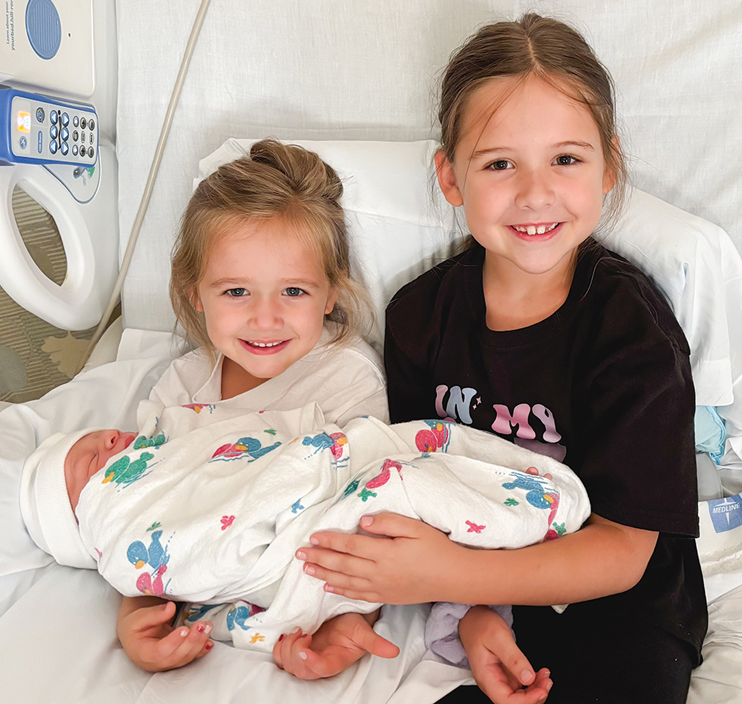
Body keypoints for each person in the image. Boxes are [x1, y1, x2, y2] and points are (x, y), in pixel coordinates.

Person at [291, 15, 707, 704]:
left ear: (610, 164)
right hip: (483, 595)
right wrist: (476, 612)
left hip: (624, 605)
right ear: (451, 178)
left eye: (566, 159)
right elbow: (426, 485)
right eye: (499, 163)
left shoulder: (633, 333)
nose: (535, 192)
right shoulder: (419, 319)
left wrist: (451, 580)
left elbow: (624, 553)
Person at [116, 139, 395, 673]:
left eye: (293, 291)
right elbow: (138, 506)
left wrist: (338, 619)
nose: (265, 319)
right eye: (236, 292)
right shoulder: (182, 387)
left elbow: (364, 511)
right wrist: (139, 609)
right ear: (195, 291)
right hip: (198, 585)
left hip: (304, 574)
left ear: (331, 293)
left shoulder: (345, 377)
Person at [20, 407, 590, 654]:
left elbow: (245, 456)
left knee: (404, 476)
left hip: (324, 480)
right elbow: (163, 559)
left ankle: (524, 516)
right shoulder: (116, 537)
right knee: (399, 494)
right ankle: (527, 519)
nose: (112, 444)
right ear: (80, 520)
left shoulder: (171, 435)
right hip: (303, 545)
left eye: (102, 436)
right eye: (88, 462)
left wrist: (308, 462)